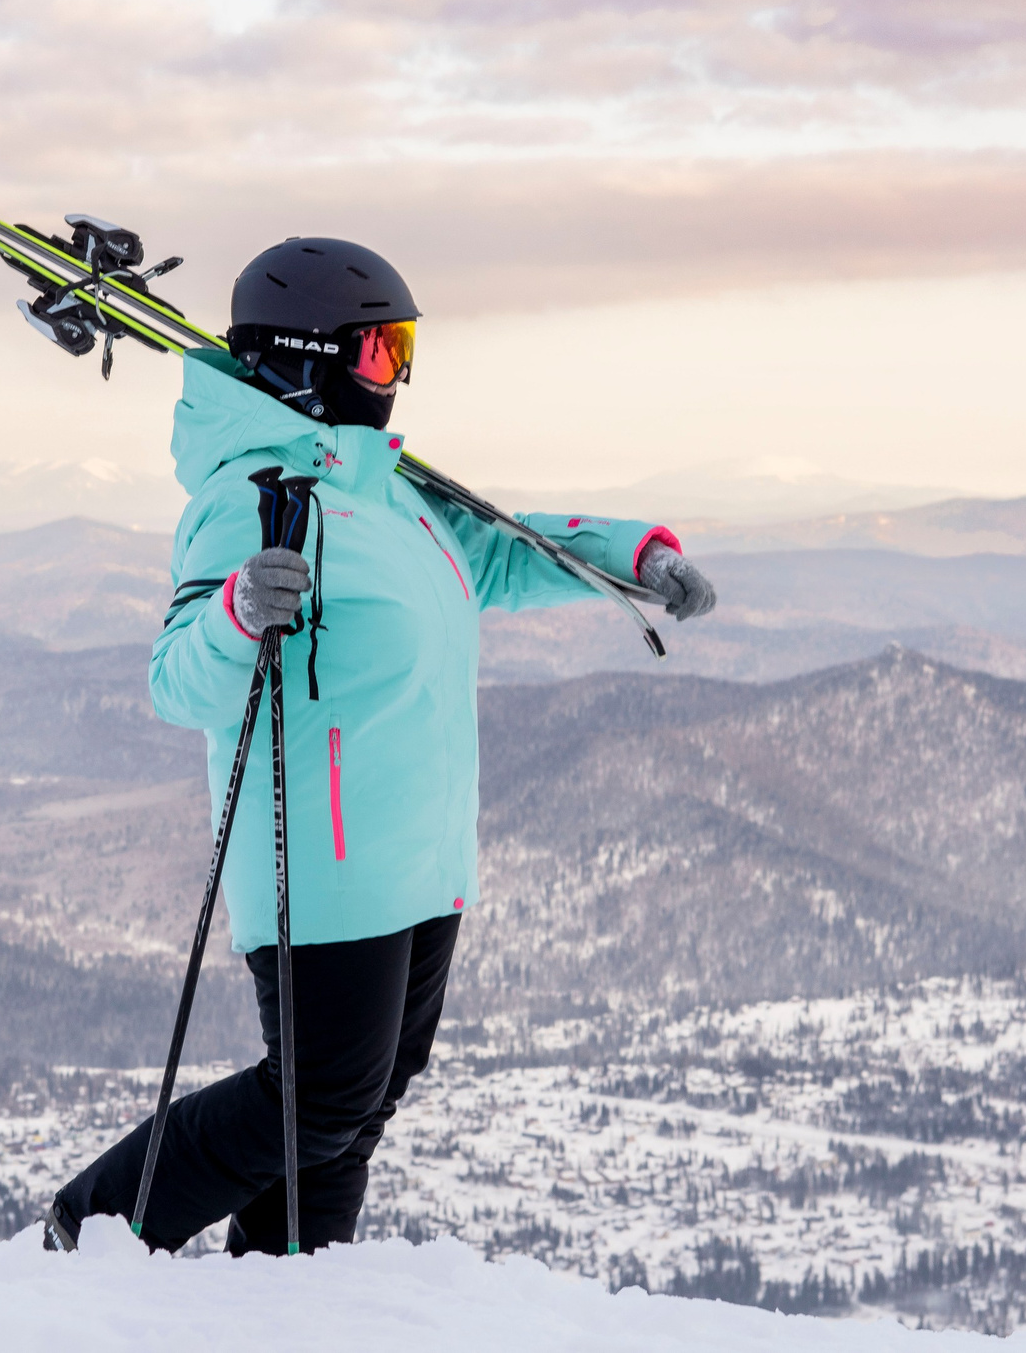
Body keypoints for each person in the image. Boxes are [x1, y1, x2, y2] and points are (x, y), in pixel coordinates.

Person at [45, 237, 717, 1256]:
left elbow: (499, 550)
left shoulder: (390, 496)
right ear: (305, 358)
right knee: (314, 1101)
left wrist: (634, 557)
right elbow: (177, 682)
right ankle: (87, 1228)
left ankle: (288, 1286)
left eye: (404, 352)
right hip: (326, 861)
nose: (395, 378)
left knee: (357, 1106)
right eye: (376, 353)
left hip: (421, 854)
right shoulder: (252, 499)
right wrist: (235, 610)